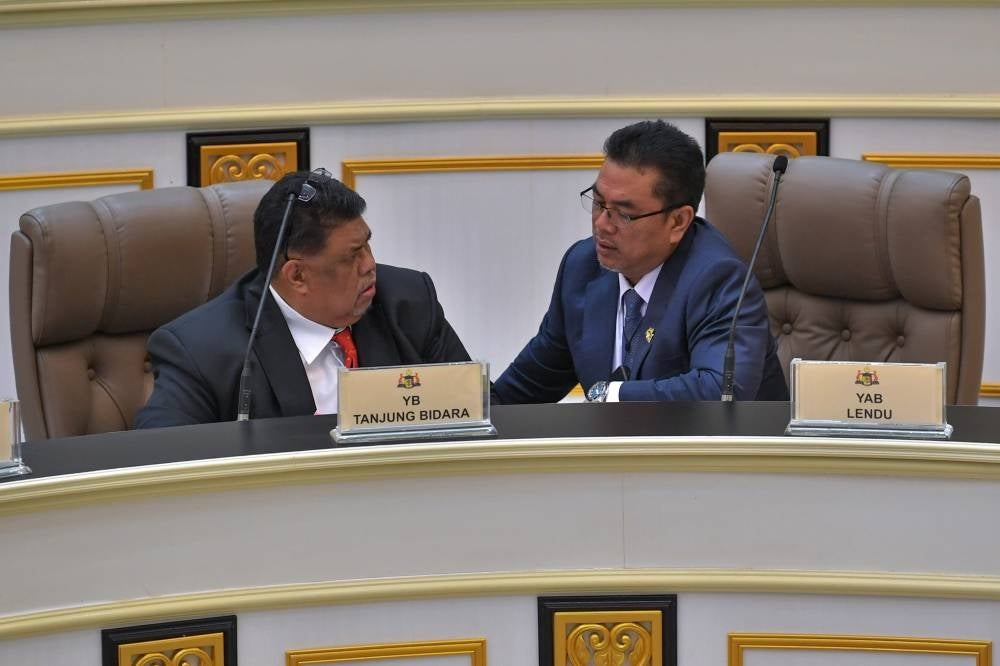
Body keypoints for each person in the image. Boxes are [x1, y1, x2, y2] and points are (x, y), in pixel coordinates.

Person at [135, 170, 471, 428]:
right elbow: (158, 462)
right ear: (297, 275)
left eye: (367, 245)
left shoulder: (408, 300)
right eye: (352, 256)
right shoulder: (201, 351)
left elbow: (477, 413)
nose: (370, 265)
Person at [492, 120, 787, 404]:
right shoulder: (581, 267)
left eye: (624, 213)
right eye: (598, 203)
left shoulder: (718, 278)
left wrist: (612, 395)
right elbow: (527, 385)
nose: (602, 225)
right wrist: (467, 411)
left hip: (722, 453)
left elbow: (720, 390)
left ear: (678, 221)